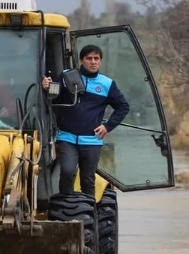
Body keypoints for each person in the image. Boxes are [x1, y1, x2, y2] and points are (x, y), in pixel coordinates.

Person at [42, 44, 130, 195]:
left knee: (88, 180)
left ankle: (89, 213)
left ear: (100, 61)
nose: (93, 61)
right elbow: (54, 97)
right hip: (67, 138)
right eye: (89, 58)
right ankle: (66, 208)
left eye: (96, 58)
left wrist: (107, 127)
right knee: (68, 172)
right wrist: (47, 87)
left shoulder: (107, 84)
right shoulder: (66, 76)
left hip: (91, 140)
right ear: (81, 60)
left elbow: (123, 107)